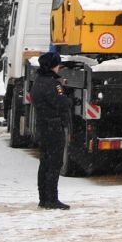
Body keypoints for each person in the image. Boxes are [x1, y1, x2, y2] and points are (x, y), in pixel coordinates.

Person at [30, 50, 71, 210]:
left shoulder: (38, 81)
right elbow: (60, 102)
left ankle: (43, 198)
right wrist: (68, 100)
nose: (59, 67)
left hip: (42, 126)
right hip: (54, 127)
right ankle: (52, 199)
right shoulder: (53, 83)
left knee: (45, 163)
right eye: (57, 64)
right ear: (53, 66)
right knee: (55, 163)